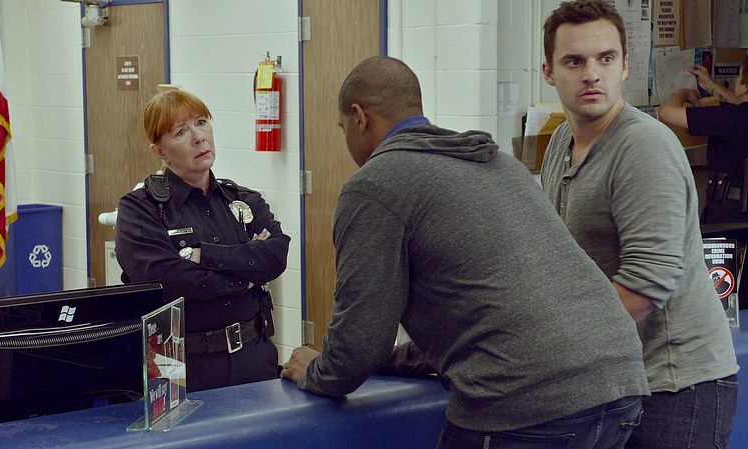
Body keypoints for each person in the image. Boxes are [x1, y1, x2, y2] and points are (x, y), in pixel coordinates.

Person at [281, 55, 649, 449]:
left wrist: (317, 371)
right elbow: (490, 311)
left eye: (343, 129)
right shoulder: (500, 165)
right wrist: (390, 360)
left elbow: (359, 344)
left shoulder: (374, 185)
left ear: (359, 118)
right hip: (621, 384)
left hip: (527, 401)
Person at [538, 1, 739, 448]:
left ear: (625, 66)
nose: (592, 74)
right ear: (549, 72)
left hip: (676, 386)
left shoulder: (643, 147)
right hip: (616, 379)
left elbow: (647, 283)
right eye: (574, 61)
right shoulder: (561, 142)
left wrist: (545, 347)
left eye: (606, 58)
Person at [115, 88, 290, 392]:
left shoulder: (243, 200)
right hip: (184, 370)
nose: (198, 137)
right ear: (160, 152)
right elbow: (167, 280)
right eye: (181, 132)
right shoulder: (141, 209)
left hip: (254, 360)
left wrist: (204, 255)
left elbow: (275, 256)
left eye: (201, 122)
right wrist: (245, 275)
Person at [660, 53, 748, 224]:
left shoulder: (729, 118)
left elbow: (667, 113)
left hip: (729, 214)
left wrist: (684, 93)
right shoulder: (737, 116)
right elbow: (739, 104)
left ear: (745, 86)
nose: (737, 80)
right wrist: (711, 86)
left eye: (739, 76)